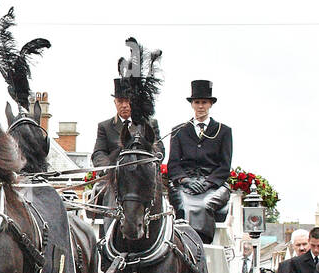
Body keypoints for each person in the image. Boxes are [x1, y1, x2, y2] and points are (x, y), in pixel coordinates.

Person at [166, 80, 234, 243]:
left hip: (213, 186)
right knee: (183, 205)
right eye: (197, 102)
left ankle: (201, 244)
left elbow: (225, 166)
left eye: (204, 102)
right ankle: (182, 243)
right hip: (186, 184)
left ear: (210, 104)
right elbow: (173, 163)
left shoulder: (223, 131)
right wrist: (185, 179)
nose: (201, 106)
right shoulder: (179, 130)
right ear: (192, 104)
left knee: (204, 205)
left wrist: (208, 183)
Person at [91, 78, 163, 169]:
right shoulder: (104, 127)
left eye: (127, 101)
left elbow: (159, 148)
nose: (124, 105)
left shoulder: (149, 124)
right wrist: (110, 168)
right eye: (120, 101)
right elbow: (99, 153)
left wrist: (147, 162)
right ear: (115, 103)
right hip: (115, 176)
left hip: (143, 173)